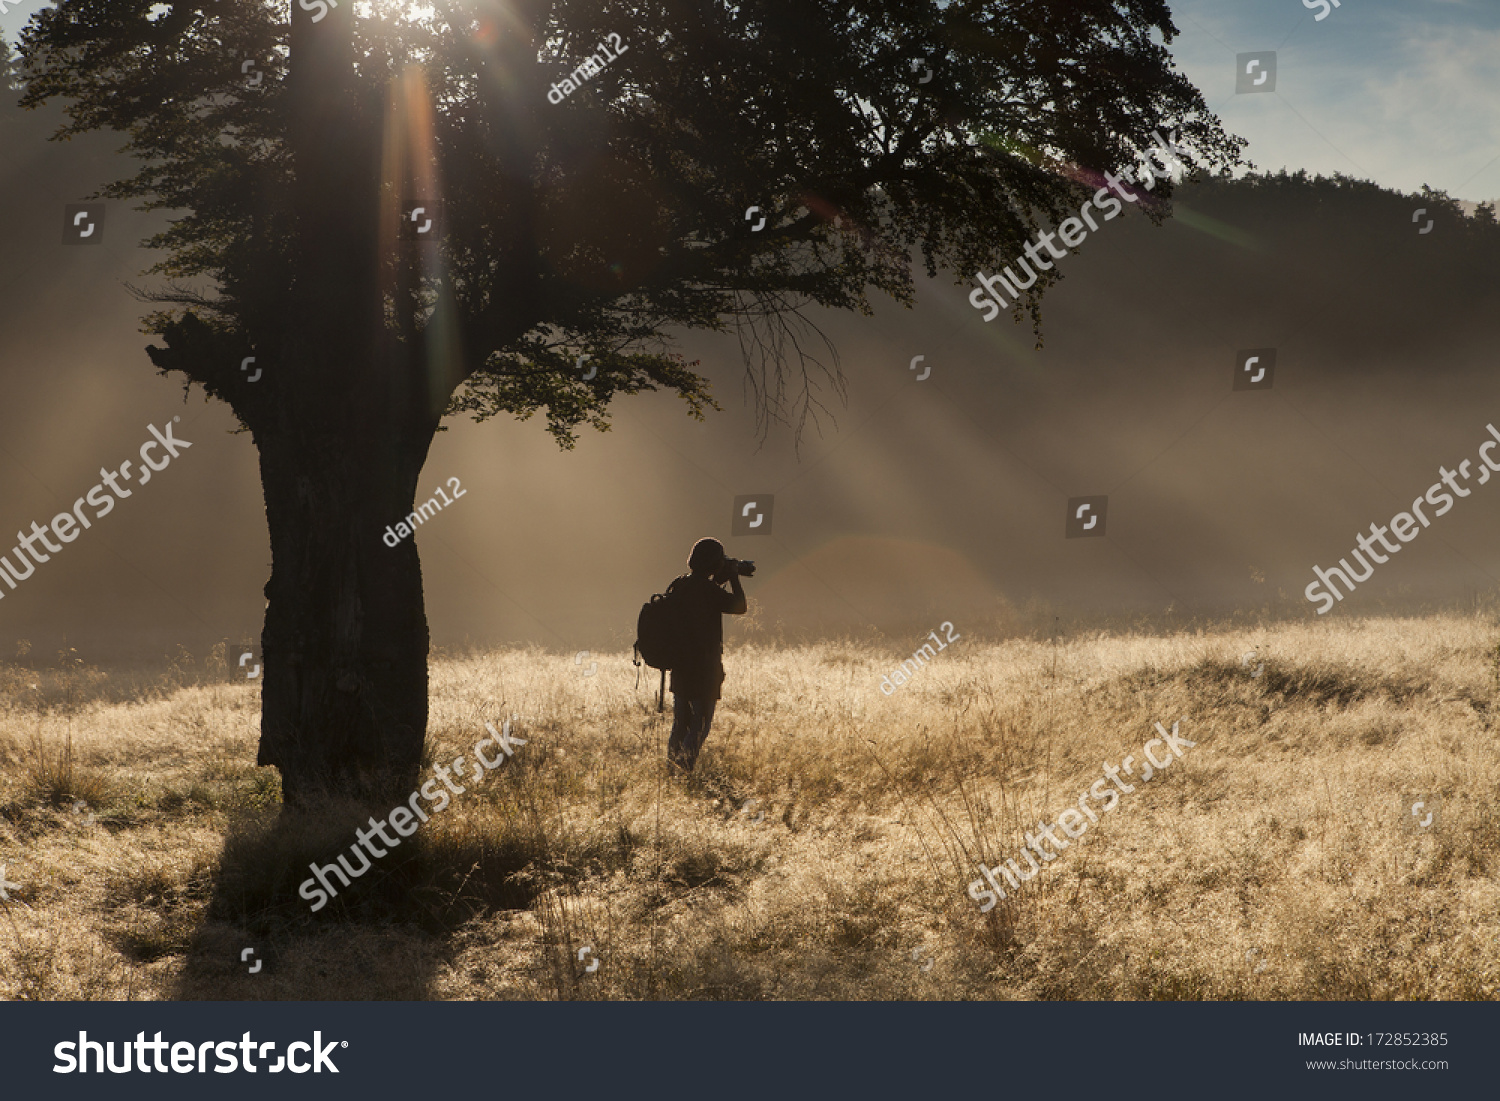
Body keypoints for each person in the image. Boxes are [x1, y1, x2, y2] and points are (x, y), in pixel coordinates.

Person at [666, 537, 748, 772]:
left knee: (681, 724)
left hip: (680, 665)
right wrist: (733, 577)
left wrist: (719, 578)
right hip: (704, 668)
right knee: (700, 725)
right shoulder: (707, 590)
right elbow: (739, 606)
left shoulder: (680, 585)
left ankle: (672, 771)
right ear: (713, 563)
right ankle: (685, 770)